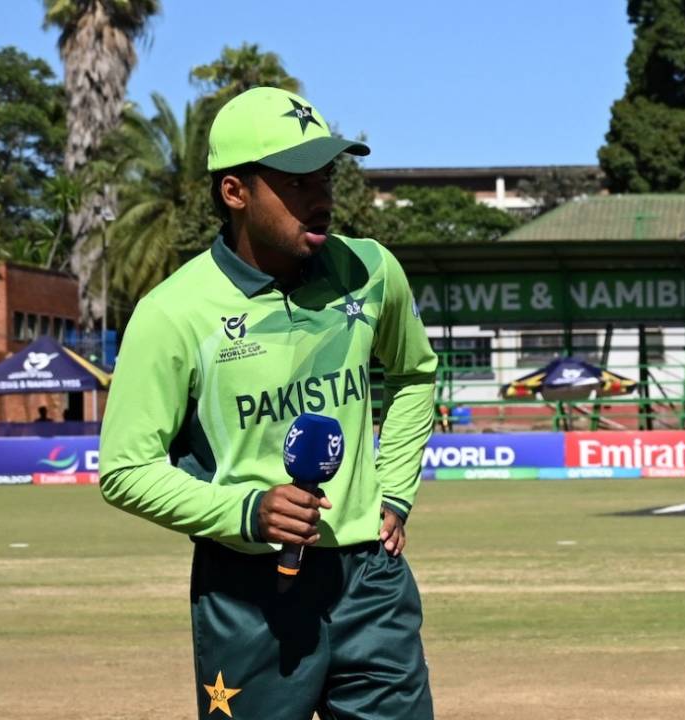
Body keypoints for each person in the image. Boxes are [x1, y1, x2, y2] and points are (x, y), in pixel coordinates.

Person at [99, 87, 437, 720]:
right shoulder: (171, 312)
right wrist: (248, 512)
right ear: (235, 193)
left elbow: (416, 374)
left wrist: (392, 493)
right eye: (296, 180)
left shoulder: (372, 270)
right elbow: (124, 470)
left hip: (371, 579)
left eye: (327, 175)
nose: (322, 195)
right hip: (248, 590)